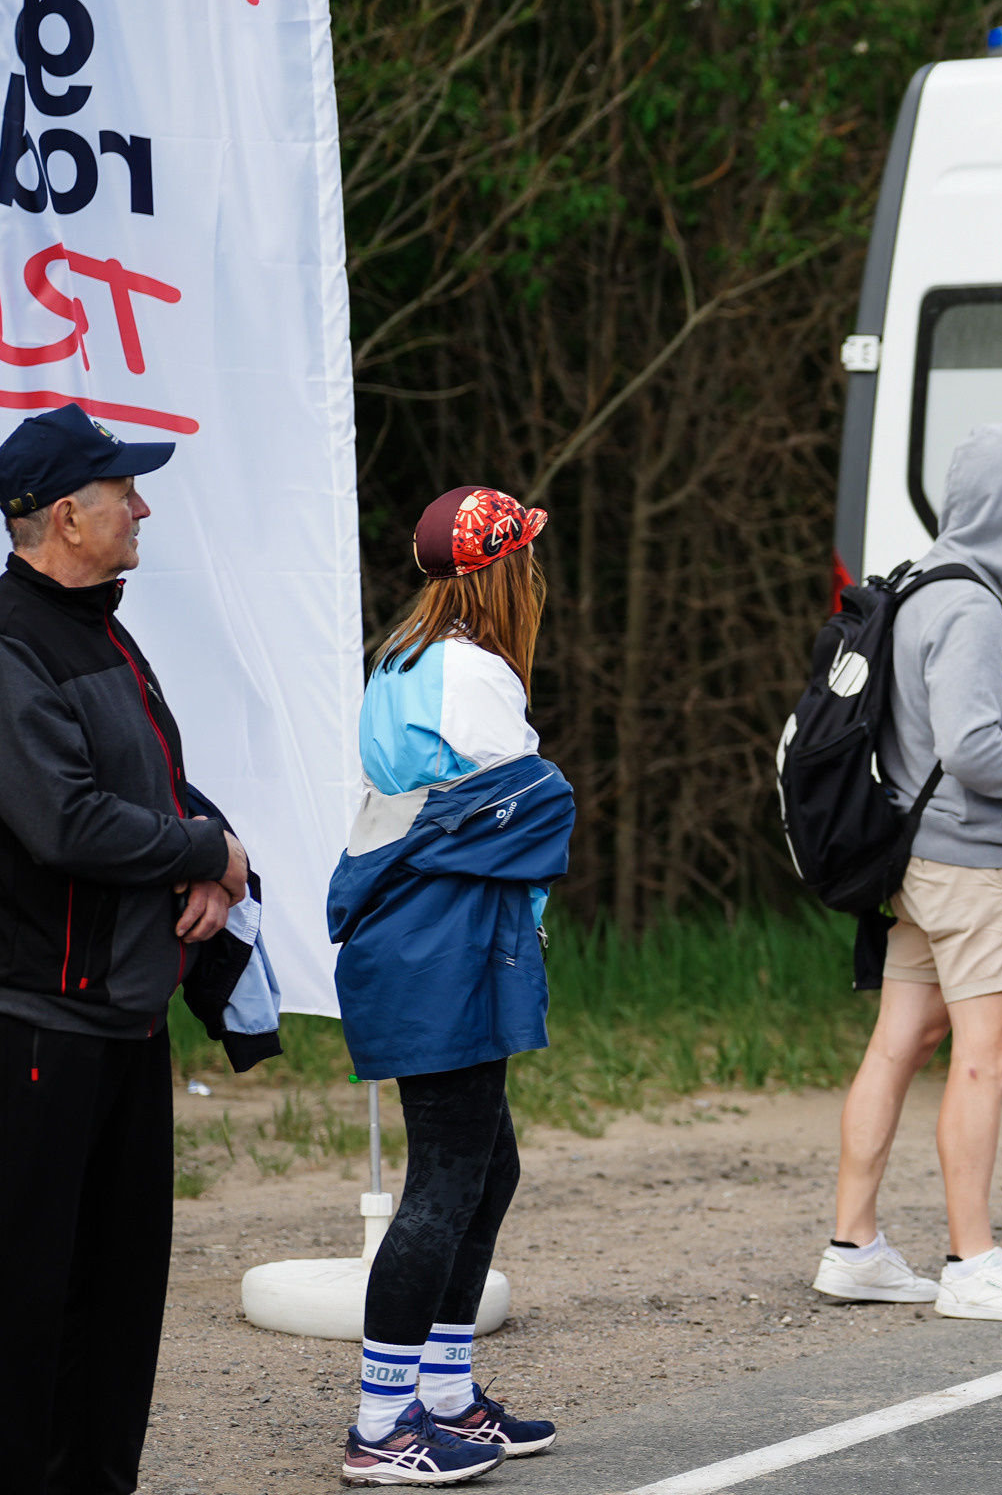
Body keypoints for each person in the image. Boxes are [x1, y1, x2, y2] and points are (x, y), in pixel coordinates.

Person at [0, 404, 250, 1495]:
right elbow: (65, 820)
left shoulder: (101, 622)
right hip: (42, 1027)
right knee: (30, 1300)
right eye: (124, 493)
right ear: (67, 515)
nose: (143, 507)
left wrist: (211, 848)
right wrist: (198, 844)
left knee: (119, 1292)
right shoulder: (13, 642)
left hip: (126, 1016)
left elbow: (144, 781)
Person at [325, 486, 573, 1483]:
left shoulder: (402, 658)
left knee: (484, 1166)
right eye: (532, 559)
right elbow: (527, 817)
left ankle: (444, 1394)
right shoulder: (474, 674)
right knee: (444, 1181)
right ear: (504, 572)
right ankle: (382, 1426)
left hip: (410, 940)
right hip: (446, 948)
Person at [813, 423, 1002, 1322]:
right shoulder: (970, 604)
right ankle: (973, 1262)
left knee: (899, 1045)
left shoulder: (919, 583)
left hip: (916, 859)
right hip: (971, 864)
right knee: (986, 1056)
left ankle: (854, 1246)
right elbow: (969, 744)